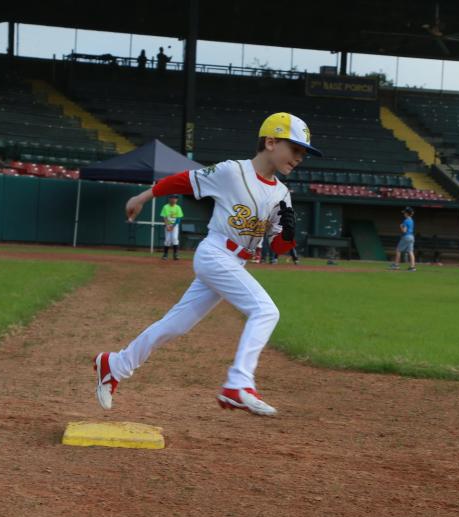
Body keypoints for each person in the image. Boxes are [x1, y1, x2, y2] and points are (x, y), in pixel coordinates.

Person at [94, 113, 321, 416]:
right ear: (270, 142)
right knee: (266, 310)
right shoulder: (232, 172)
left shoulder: (281, 194)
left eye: (304, 152)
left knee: (176, 324)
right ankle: (238, 384)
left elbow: (278, 247)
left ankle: (115, 364)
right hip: (215, 253)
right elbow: (185, 180)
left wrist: (290, 235)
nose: (300, 157)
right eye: (295, 149)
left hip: (235, 263)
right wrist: (145, 195)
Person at [389, 206, 416, 271]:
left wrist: (401, 226)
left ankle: (396, 265)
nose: (404, 214)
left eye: (404, 213)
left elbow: (404, 231)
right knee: (410, 252)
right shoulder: (411, 220)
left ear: (407, 213)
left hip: (406, 236)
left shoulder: (406, 221)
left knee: (398, 250)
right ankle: (412, 267)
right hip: (412, 237)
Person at [160, 194, 183, 260]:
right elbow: (164, 217)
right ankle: (165, 255)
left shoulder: (178, 207)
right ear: (169, 199)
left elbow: (178, 218)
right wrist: (167, 225)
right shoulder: (165, 207)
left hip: (175, 226)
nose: (174, 200)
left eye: (175, 198)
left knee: (175, 238)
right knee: (167, 239)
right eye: (172, 198)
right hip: (168, 225)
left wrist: (173, 226)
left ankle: (175, 255)